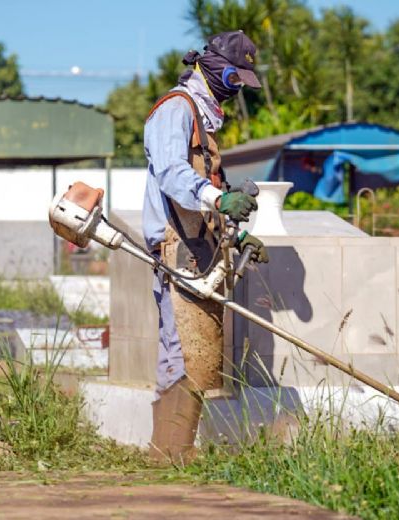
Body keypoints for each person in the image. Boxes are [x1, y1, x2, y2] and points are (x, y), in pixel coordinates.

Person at [143, 30, 269, 463]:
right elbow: (174, 176)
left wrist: (233, 232)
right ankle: (170, 451)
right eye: (236, 80)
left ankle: (175, 450)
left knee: (195, 348)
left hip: (199, 243)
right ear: (216, 69)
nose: (236, 92)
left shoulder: (203, 116)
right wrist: (220, 199)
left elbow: (206, 186)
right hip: (173, 244)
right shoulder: (175, 110)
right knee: (180, 345)